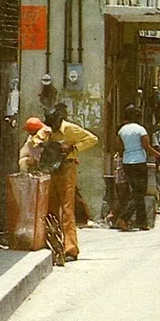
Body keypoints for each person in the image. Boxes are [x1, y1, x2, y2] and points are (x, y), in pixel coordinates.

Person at [45, 104, 98, 262]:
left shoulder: (70, 129)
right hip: (53, 169)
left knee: (67, 208)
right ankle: (54, 244)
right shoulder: (48, 131)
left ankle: (71, 249)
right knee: (51, 207)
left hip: (67, 168)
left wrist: (74, 148)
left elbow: (92, 139)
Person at [116, 105, 154, 231]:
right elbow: (147, 147)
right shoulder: (140, 129)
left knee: (137, 192)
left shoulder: (121, 131)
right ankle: (124, 218)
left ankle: (142, 222)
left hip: (127, 162)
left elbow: (119, 148)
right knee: (139, 193)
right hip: (139, 162)